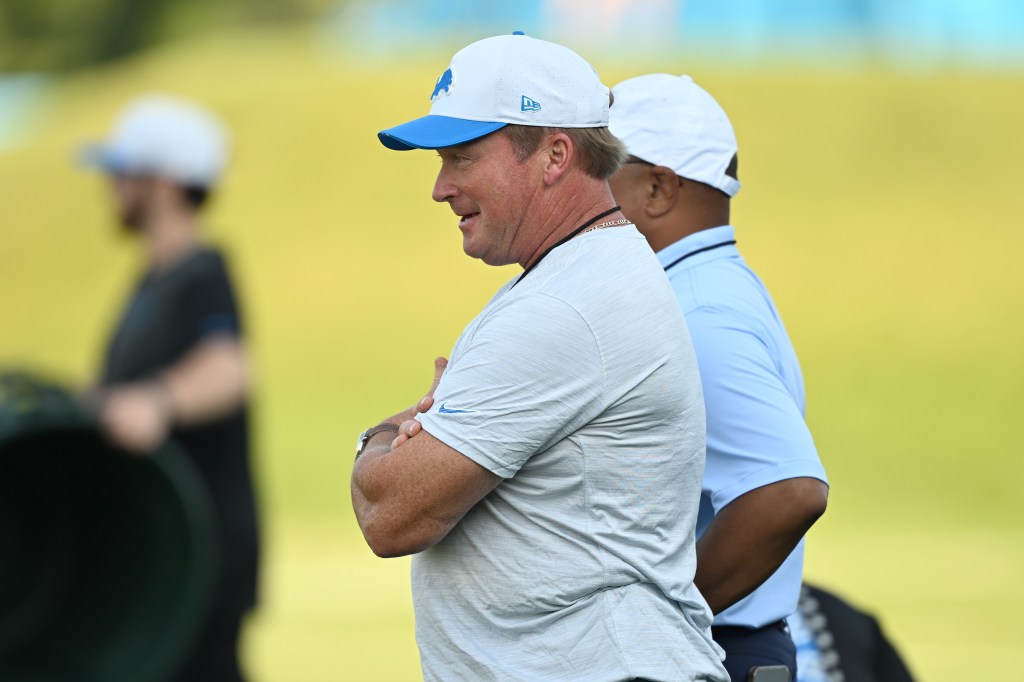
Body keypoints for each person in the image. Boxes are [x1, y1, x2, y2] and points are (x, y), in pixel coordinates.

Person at [351, 34, 728, 682]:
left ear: (555, 154)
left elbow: (390, 515)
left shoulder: (566, 307)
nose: (441, 187)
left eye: (462, 157)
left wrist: (383, 436)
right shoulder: (581, 275)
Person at [607, 74, 830, 682]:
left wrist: (658, 624)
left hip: (711, 655)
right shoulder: (706, 289)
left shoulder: (698, 311)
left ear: (659, 188)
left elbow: (787, 492)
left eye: (598, 172)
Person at [80, 95, 260, 682]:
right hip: (161, 553)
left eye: (121, 172)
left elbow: (230, 369)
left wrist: (157, 401)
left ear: (162, 183)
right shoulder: (153, 280)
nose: (111, 187)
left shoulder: (201, 272)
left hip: (200, 555)